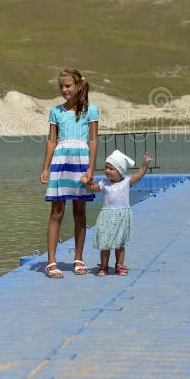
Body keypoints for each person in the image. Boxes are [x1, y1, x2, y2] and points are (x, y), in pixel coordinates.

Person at [39, 67, 99, 279]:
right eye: (61, 87)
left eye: (68, 86)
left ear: (79, 86)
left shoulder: (91, 111)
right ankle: (51, 261)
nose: (64, 90)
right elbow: (51, 140)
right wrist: (45, 167)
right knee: (57, 211)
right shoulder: (56, 111)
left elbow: (93, 139)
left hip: (81, 162)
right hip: (61, 162)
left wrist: (91, 168)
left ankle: (79, 258)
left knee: (80, 211)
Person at [83, 150, 152, 276]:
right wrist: (87, 183)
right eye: (106, 168)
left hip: (122, 217)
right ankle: (103, 266)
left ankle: (119, 265)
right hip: (107, 216)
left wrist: (144, 164)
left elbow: (139, 175)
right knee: (105, 244)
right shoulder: (104, 183)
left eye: (111, 168)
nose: (107, 171)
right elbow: (92, 189)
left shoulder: (126, 182)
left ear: (120, 171)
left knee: (120, 244)